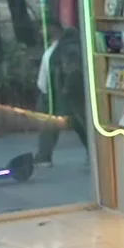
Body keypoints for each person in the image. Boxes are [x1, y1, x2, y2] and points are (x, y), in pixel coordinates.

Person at [35, 26, 89, 165]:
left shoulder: (64, 48)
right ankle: (93, 151)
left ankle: (44, 156)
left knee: (54, 124)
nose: (41, 31)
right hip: (60, 92)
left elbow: (72, 70)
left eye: (44, 28)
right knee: (78, 123)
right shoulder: (58, 47)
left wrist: (64, 89)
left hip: (60, 93)